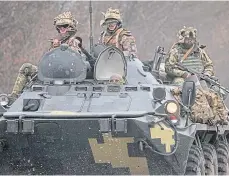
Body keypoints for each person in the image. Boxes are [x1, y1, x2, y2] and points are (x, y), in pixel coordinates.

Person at [8, 11, 82, 104]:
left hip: (65, 74)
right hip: (51, 72)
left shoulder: (74, 41)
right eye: (60, 27)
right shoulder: (59, 40)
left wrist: (59, 48)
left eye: (65, 26)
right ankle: (13, 97)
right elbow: (48, 60)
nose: (62, 29)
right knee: (26, 67)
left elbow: (72, 59)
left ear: (71, 27)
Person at [165, 26, 228, 124]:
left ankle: (216, 115)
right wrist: (183, 74)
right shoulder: (175, 51)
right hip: (182, 78)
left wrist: (207, 74)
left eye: (191, 39)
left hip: (199, 77)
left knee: (212, 91)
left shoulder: (199, 52)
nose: (189, 41)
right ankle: (185, 112)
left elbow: (209, 65)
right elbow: (169, 67)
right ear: (183, 39)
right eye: (187, 39)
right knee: (182, 89)